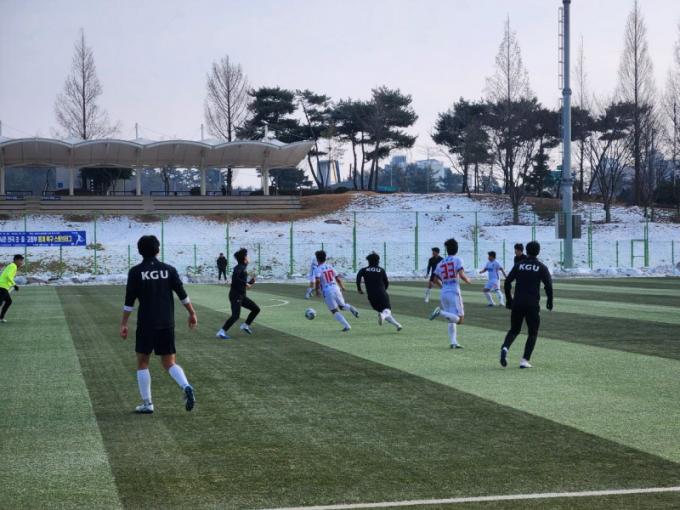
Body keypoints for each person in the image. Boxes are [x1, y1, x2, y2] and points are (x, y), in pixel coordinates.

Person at [120, 235, 197, 414]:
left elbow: (129, 301)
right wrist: (192, 313)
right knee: (169, 362)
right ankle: (186, 386)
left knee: (142, 362)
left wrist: (124, 323)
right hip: (166, 322)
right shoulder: (169, 270)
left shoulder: (135, 272)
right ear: (158, 249)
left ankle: (147, 404)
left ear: (140, 251)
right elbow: (182, 294)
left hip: (146, 323)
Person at [500, 241, 553, 369]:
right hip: (532, 304)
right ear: (538, 252)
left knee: (514, 329)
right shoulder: (541, 267)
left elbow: (507, 282)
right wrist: (550, 300)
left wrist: (509, 300)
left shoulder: (519, 265)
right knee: (533, 332)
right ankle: (524, 360)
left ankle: (505, 347)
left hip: (517, 302)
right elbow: (548, 285)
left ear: (526, 251)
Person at [428, 238, 471, 349]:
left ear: (447, 250)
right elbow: (461, 275)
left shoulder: (441, 263)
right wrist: (468, 280)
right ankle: (440, 312)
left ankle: (453, 342)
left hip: (444, 292)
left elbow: (434, 279)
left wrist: (443, 286)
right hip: (454, 291)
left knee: (451, 318)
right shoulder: (458, 260)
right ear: (456, 249)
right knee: (460, 320)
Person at [216, 248, 260, 339]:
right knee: (235, 316)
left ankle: (245, 325)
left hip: (242, 296)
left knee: (256, 309)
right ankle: (221, 332)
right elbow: (235, 279)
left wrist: (251, 282)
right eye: (247, 256)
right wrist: (246, 283)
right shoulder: (239, 268)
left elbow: (241, 283)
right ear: (244, 258)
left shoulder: (242, 267)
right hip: (236, 296)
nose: (248, 258)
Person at [314, 250, 359, 332]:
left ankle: (347, 326)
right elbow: (337, 278)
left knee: (334, 310)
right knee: (342, 306)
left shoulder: (318, 269)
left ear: (317, 259)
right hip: (336, 288)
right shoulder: (330, 267)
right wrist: (342, 286)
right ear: (325, 258)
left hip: (327, 290)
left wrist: (317, 290)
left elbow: (317, 280)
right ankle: (351, 308)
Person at [356, 252, 402, 331]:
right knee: (387, 311)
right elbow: (386, 282)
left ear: (368, 261)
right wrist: (384, 290)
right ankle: (383, 316)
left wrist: (359, 289)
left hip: (371, 296)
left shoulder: (363, 270)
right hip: (381, 293)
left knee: (383, 311)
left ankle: (398, 325)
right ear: (378, 261)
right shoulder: (381, 270)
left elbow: (358, 279)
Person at [0, 254, 24, 323]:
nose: (21, 262)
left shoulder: (12, 266)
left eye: (22, 261)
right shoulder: (13, 266)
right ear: (16, 260)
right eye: (20, 260)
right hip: (2, 286)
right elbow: (8, 276)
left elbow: (7, 276)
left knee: (8, 301)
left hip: (3, 286)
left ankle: (1, 317)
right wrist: (14, 285)